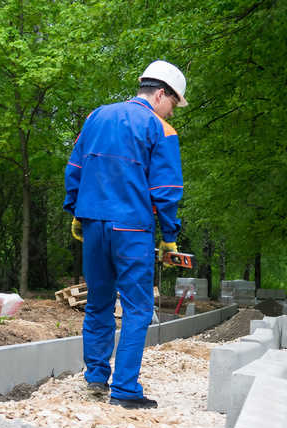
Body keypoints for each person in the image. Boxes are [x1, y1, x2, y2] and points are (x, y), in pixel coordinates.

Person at [63, 60, 188, 409]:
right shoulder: (161, 129)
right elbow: (165, 188)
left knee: (99, 303)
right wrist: (169, 236)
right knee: (137, 308)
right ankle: (125, 390)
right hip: (131, 227)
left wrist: (76, 212)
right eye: (174, 105)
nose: (172, 113)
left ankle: (95, 378)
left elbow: (75, 167)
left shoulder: (96, 117)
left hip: (93, 222)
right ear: (161, 93)